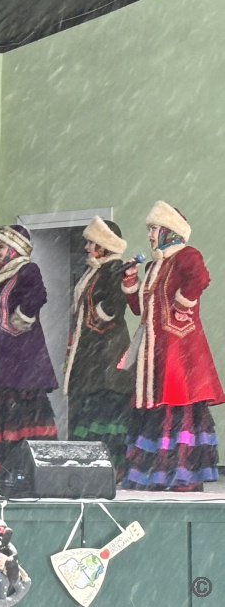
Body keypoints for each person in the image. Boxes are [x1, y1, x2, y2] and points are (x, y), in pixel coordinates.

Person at [120, 201, 224, 491]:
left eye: (153, 228)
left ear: (170, 230)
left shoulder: (187, 255)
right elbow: (140, 309)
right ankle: (157, 475)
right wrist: (131, 279)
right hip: (156, 352)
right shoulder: (154, 265)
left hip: (181, 351)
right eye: (149, 229)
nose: (149, 235)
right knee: (158, 410)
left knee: (177, 409)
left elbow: (200, 278)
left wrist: (182, 303)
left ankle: (181, 477)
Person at [0, 225, 58, 473]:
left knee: (21, 406)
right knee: (1, 404)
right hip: (1, 352)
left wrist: (18, 322)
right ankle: (3, 466)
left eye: (1, 246)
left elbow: (38, 295)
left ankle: (27, 466)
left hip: (22, 353)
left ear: (16, 248)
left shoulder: (27, 269)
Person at [62, 216, 133, 475]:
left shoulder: (113, 268)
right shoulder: (96, 270)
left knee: (106, 407)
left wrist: (98, 318)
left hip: (107, 352)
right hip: (93, 352)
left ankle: (111, 466)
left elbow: (115, 306)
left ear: (103, 244)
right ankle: (92, 466)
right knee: (91, 406)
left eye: (91, 242)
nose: (86, 247)